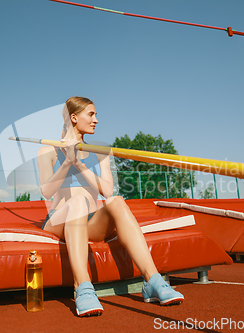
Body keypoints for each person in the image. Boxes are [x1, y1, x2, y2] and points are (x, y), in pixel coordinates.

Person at [37, 96, 184, 317]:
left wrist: (77, 162)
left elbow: (107, 191)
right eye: (91, 114)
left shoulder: (100, 151)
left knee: (117, 201)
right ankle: (82, 287)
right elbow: (46, 191)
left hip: (90, 221)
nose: (96, 120)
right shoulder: (48, 150)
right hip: (59, 220)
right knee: (77, 202)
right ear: (74, 118)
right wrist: (67, 160)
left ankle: (152, 280)